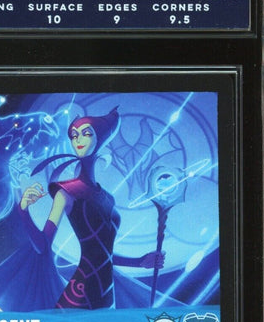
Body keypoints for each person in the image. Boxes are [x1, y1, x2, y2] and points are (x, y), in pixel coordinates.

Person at [19, 107, 164, 309]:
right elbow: (43, 245)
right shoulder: (65, 192)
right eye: (74, 135)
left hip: (107, 295)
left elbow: (102, 255)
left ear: (100, 138)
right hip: (80, 296)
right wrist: (23, 209)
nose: (78, 140)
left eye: (86, 133)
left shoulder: (108, 198)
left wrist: (140, 262)